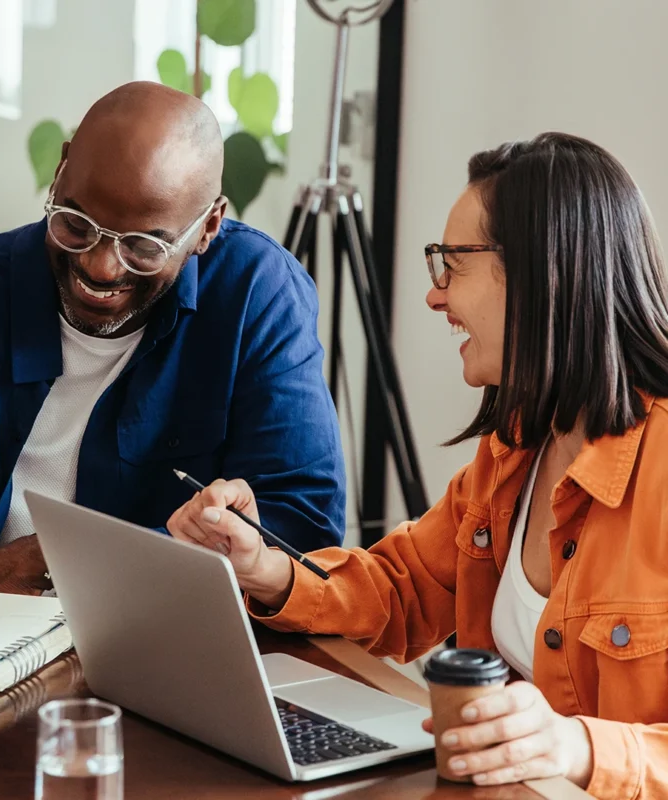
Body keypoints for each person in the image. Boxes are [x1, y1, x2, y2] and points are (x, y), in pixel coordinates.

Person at [168, 133, 668, 798]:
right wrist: (267, 570)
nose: (435, 297)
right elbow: (405, 589)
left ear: (544, 273)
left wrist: (577, 746)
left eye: (451, 265)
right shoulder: (517, 444)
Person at [0, 82, 346, 648]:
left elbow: (302, 532)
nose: (99, 265)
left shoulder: (255, 297)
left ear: (209, 227)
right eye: (75, 222)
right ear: (60, 172)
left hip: (170, 656)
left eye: (144, 246)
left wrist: (66, 560)